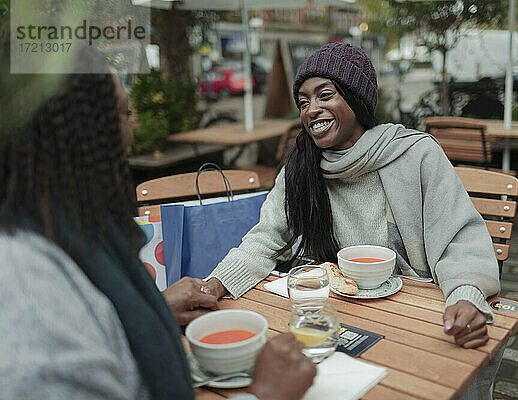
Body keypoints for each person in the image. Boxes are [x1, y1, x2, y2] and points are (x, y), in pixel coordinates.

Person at [0, 42, 315, 399]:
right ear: (73, 134)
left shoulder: (60, 236)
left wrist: (151, 308)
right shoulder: (28, 294)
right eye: (122, 113)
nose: (131, 135)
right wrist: (267, 395)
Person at [200, 42, 503, 399]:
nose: (312, 110)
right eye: (303, 101)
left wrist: (466, 295)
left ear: (356, 99)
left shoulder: (415, 155)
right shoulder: (300, 166)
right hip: (339, 316)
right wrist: (215, 285)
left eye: (325, 95)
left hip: (417, 313)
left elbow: (460, 240)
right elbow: (265, 238)